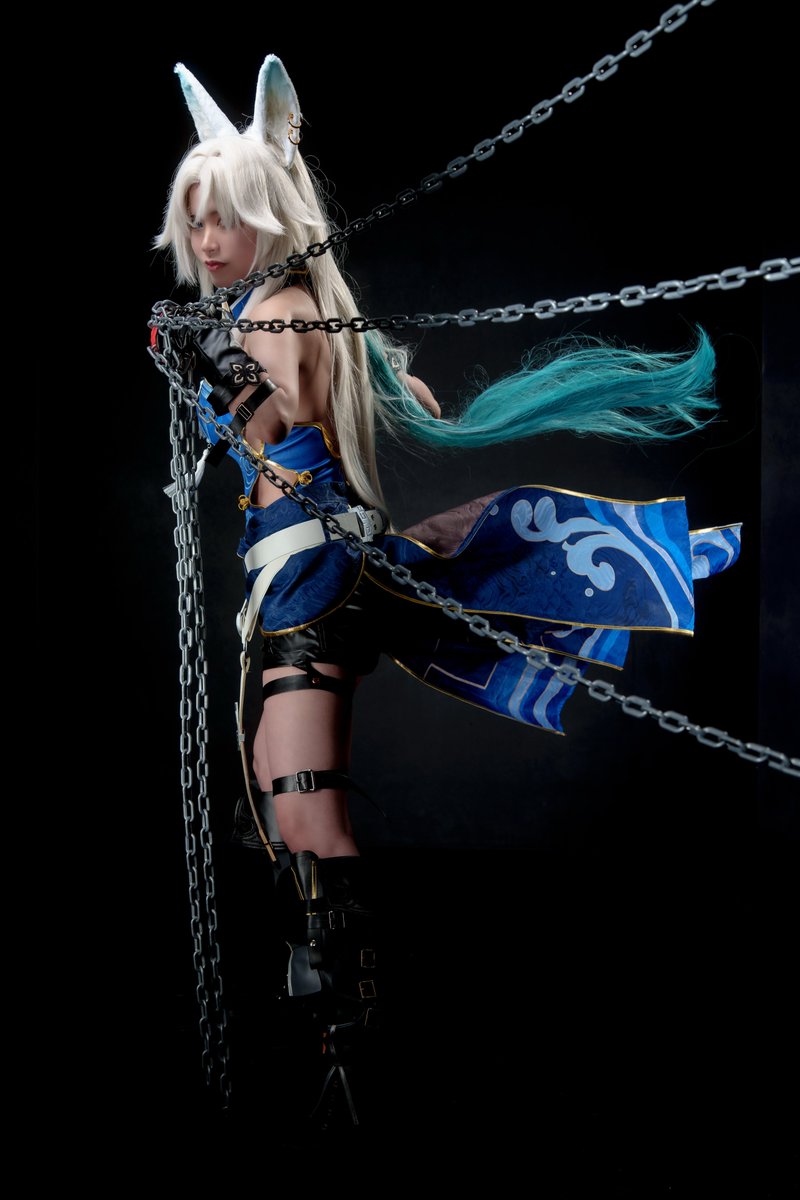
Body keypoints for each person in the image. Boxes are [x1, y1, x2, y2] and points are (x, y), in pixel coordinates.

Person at [152, 54, 742, 1127]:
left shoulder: (274, 315)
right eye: (194, 219)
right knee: (279, 800)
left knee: (303, 808)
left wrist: (222, 372)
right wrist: (243, 361)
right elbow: (403, 395)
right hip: (294, 576)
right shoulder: (289, 308)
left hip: (308, 580)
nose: (206, 238)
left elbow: (272, 411)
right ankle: (332, 1031)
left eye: (223, 215)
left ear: (268, 215)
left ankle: (349, 1053)